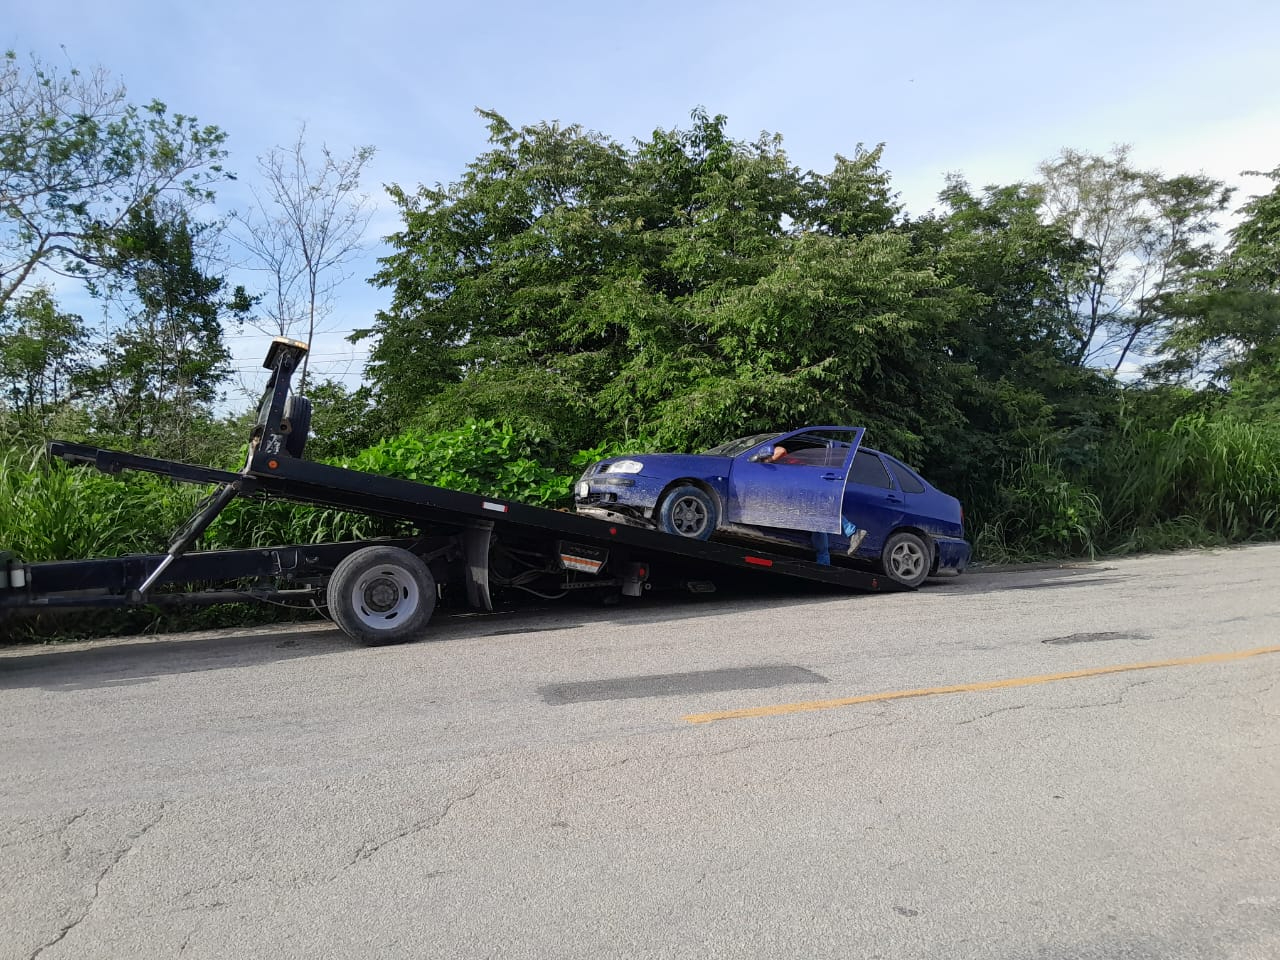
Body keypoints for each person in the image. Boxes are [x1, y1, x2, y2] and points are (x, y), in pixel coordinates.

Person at [755, 444, 868, 564]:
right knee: (819, 531)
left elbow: (781, 450)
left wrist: (768, 459)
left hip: (810, 484)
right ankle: (824, 564)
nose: (765, 463)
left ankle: (853, 532)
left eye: (764, 460)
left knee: (824, 512)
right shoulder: (777, 469)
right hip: (805, 490)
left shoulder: (780, 457)